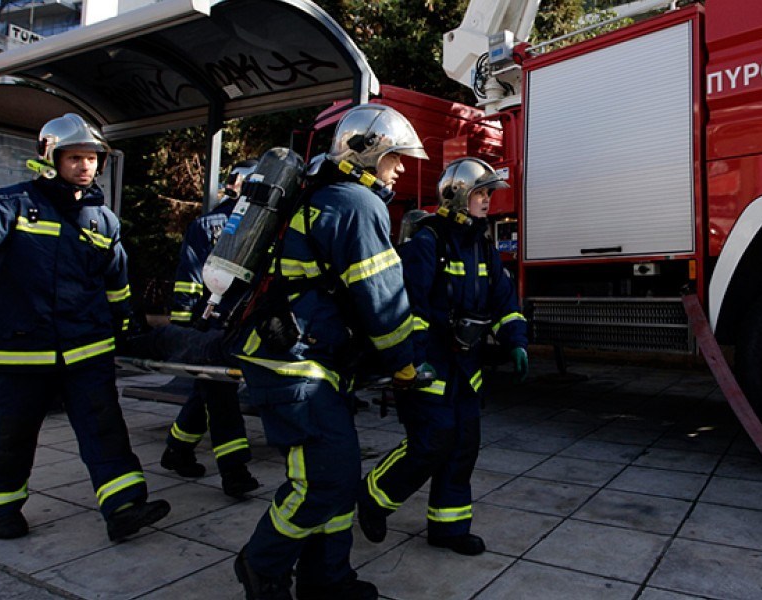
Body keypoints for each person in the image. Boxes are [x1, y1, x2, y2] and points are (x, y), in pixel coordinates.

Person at [0, 113, 170, 542]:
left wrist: (128, 324)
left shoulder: (104, 221)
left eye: (92, 158)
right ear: (50, 158)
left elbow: (116, 283)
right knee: (12, 437)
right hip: (22, 350)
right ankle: (1, 508)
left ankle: (124, 507)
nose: (86, 166)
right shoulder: (13, 203)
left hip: (87, 350)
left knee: (105, 431)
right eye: (75, 157)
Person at [232, 104, 427, 600]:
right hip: (295, 362)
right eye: (395, 158)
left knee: (337, 477)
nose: (400, 170)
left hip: (308, 356)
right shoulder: (357, 204)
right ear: (368, 153)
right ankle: (261, 565)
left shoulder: (325, 195)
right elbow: (382, 298)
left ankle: (327, 580)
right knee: (323, 481)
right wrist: (404, 363)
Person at [357, 157, 529, 556]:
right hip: (429, 366)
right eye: (481, 193)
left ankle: (448, 528)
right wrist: (412, 361)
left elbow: (504, 302)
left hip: (466, 369)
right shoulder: (427, 243)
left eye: (488, 194)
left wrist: (516, 340)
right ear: (458, 195)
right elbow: (409, 309)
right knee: (430, 443)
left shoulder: (483, 247)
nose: (487, 201)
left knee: (463, 445)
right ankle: (374, 496)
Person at [159, 159, 261, 498]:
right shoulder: (248, 225)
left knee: (208, 390)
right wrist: (186, 329)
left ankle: (177, 450)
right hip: (222, 326)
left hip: (217, 325)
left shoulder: (211, 224)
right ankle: (234, 471)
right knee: (220, 395)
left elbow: (188, 278)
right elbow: (190, 278)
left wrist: (184, 326)